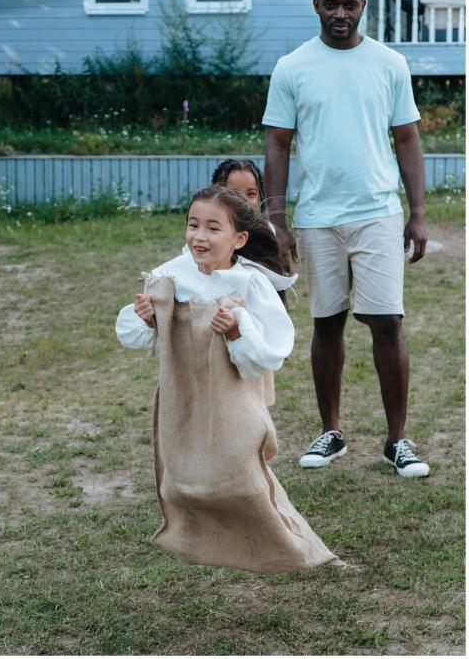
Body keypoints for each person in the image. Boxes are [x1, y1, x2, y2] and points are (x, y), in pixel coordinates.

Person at [115, 186, 344, 574]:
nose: (199, 237)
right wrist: (147, 317)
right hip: (183, 389)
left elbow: (270, 352)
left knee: (242, 479)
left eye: (212, 228)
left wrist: (237, 329)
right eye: (193, 225)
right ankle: (199, 539)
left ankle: (290, 547)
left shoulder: (249, 285)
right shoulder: (169, 276)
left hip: (231, 394)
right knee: (183, 477)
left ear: (239, 239)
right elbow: (142, 339)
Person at [262, 0, 430, 478]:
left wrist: (418, 212)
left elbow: (407, 138)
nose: (341, 13)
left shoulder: (389, 62)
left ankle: (397, 440)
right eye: (331, 4)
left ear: (363, 7)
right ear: (316, 5)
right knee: (327, 323)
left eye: (350, 5)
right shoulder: (292, 67)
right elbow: (277, 142)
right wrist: (277, 218)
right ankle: (331, 432)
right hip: (317, 219)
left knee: (386, 323)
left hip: (377, 213)